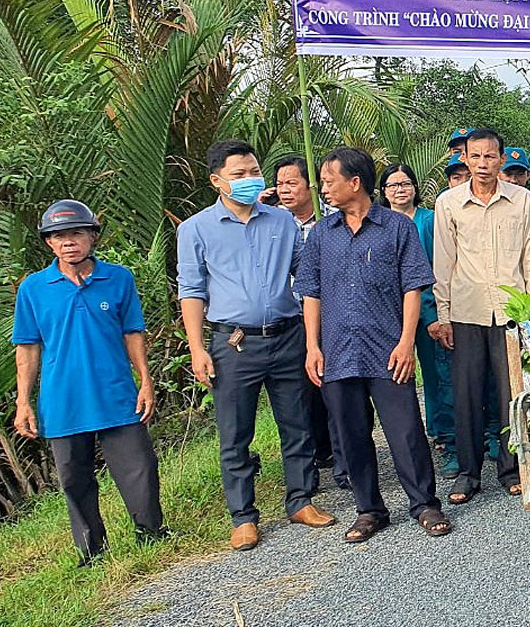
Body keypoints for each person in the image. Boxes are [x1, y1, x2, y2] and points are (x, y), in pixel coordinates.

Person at [177, 140, 335, 552]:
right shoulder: (195, 229)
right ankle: (243, 517)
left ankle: (301, 501)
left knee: (297, 424)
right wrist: (197, 348)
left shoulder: (282, 223)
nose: (250, 180)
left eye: (253, 172)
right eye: (239, 175)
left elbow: (307, 275)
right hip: (234, 343)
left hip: (287, 335)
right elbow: (191, 291)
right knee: (235, 432)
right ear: (216, 181)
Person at [298, 147, 451, 542]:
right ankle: (369, 510)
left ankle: (424, 504)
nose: (324, 187)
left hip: (387, 349)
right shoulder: (320, 235)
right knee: (350, 435)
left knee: (405, 431)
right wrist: (313, 347)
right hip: (336, 351)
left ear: (355, 182)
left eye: (330, 180)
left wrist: (405, 343)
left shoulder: (397, 228)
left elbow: (413, 287)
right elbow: (310, 293)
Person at [13, 199, 168, 566]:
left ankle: (151, 533)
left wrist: (145, 381)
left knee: (139, 469)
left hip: (116, 394)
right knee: (73, 478)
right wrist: (23, 401)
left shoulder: (118, 279)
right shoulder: (34, 289)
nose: (68, 242)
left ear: (92, 237)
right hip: (62, 401)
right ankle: (91, 551)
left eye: (76, 234)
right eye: (59, 236)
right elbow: (28, 348)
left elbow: (133, 333)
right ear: (49, 243)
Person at [432, 129, 530, 505]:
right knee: (467, 393)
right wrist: (444, 314)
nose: (483, 164)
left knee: (512, 392)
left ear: (501, 159)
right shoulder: (448, 203)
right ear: (464, 159)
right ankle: (468, 472)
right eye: (475, 157)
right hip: (467, 312)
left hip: (512, 311)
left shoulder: (522, 199)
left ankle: (512, 468)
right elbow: (443, 263)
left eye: (490, 157)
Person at [269, 155, 341, 488]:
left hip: (331, 316)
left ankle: (346, 461)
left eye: (292, 182)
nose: (285, 190)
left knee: (338, 390)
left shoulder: (333, 218)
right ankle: (316, 455)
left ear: (309, 185)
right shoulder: (271, 223)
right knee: (301, 393)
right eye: (280, 184)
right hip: (290, 319)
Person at [380, 162, 456, 477]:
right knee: (396, 382)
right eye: (393, 185)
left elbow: (441, 269)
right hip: (387, 317)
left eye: (406, 183)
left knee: (440, 376)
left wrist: (438, 313)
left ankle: (451, 440)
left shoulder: (430, 221)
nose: (400, 190)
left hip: (428, 311)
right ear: (383, 192)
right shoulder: (378, 224)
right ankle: (419, 440)